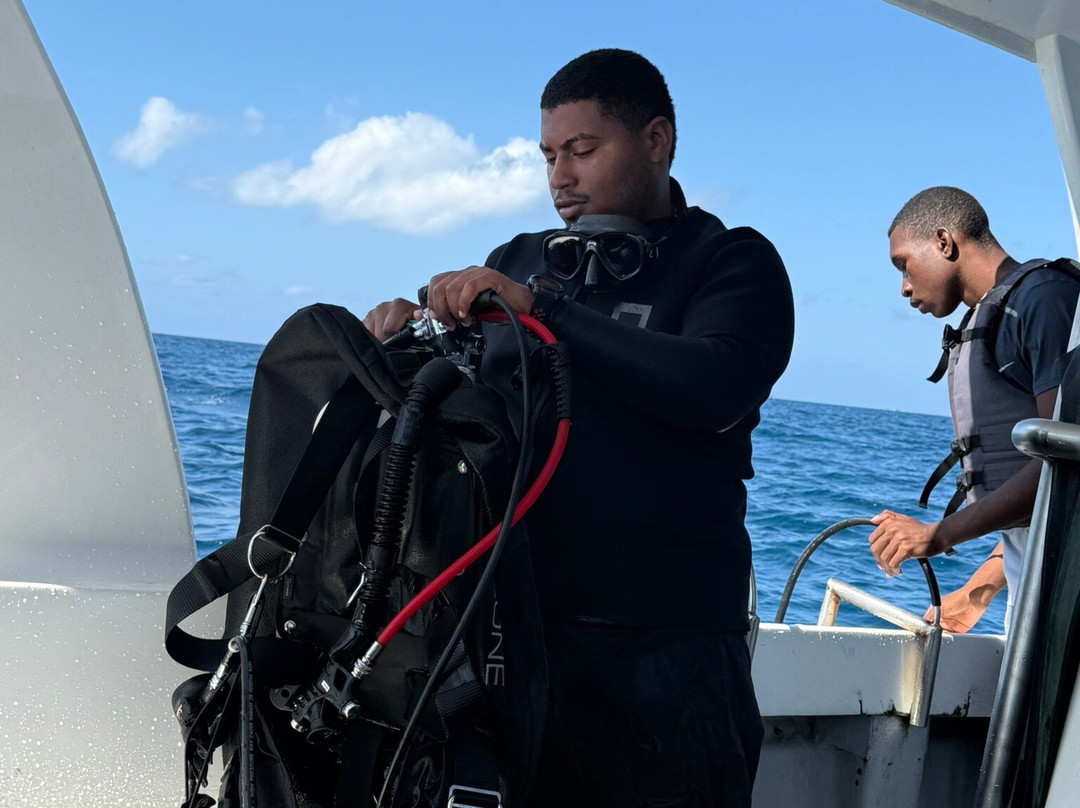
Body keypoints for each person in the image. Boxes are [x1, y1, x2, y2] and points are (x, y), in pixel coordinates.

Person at [365, 48, 793, 807]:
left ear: (657, 140)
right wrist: (404, 334)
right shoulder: (521, 260)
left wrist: (543, 312)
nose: (560, 176)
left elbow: (713, 386)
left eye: (583, 150)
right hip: (512, 636)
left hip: (669, 653)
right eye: (549, 156)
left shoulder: (731, 262)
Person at [870, 186, 1080, 633]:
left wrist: (938, 534)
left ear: (944, 242)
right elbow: (1034, 516)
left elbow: (1065, 464)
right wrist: (974, 593)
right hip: (1036, 591)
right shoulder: (997, 314)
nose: (904, 287)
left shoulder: (1043, 300)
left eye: (903, 265)